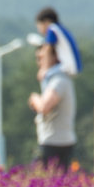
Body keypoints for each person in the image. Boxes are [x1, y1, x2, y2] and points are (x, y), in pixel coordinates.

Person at [28, 42, 77, 171]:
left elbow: (44, 107)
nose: (39, 63)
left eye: (42, 58)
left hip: (55, 143)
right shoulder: (54, 79)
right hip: (55, 141)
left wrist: (35, 98)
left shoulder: (58, 80)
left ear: (54, 57)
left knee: (39, 179)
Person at [35, 6, 83, 76]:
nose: (39, 30)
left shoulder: (52, 29)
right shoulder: (60, 29)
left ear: (46, 22)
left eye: (39, 26)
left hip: (69, 66)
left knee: (47, 76)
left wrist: (44, 69)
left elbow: (48, 49)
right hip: (73, 66)